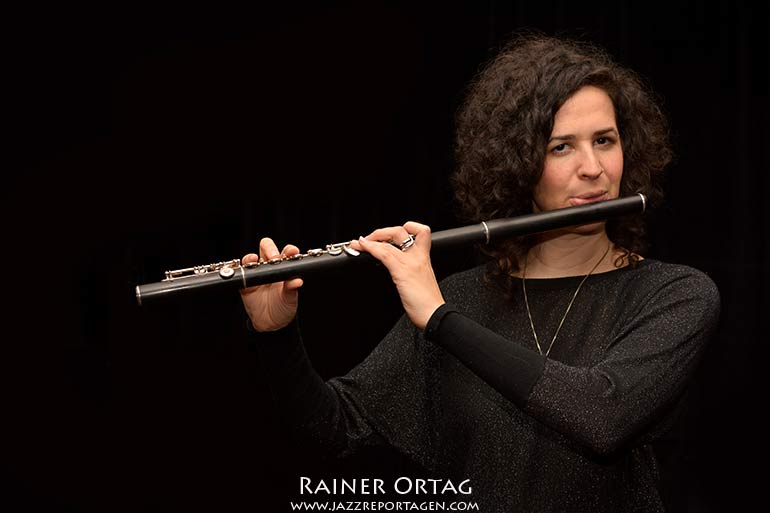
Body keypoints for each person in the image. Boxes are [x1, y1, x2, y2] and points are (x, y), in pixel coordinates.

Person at [240, 34, 720, 512]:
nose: (592, 167)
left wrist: (440, 318)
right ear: (519, 162)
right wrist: (276, 334)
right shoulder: (464, 298)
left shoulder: (674, 295)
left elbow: (602, 416)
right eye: (561, 148)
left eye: (604, 141)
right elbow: (333, 430)